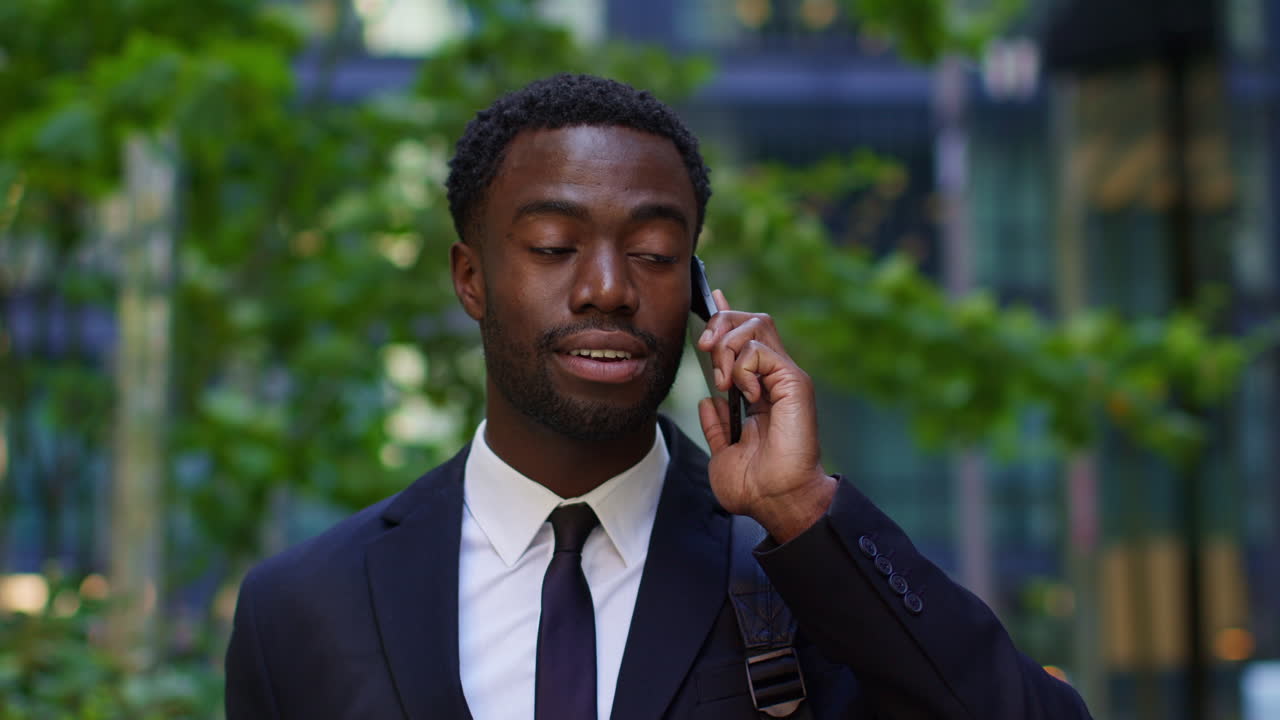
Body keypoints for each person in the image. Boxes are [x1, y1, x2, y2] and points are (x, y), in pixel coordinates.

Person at [225, 73, 1093, 720]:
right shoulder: (303, 606)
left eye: (653, 253)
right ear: (470, 278)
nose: (607, 287)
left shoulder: (801, 579)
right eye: (555, 246)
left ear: (701, 290)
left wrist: (802, 509)